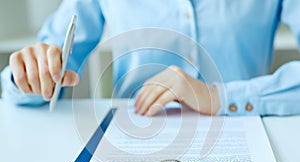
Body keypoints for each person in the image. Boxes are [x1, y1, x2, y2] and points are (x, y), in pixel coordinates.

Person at [1, 0, 300, 116]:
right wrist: (30, 76)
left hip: (247, 140)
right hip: (129, 146)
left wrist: (219, 96)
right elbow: (42, 66)